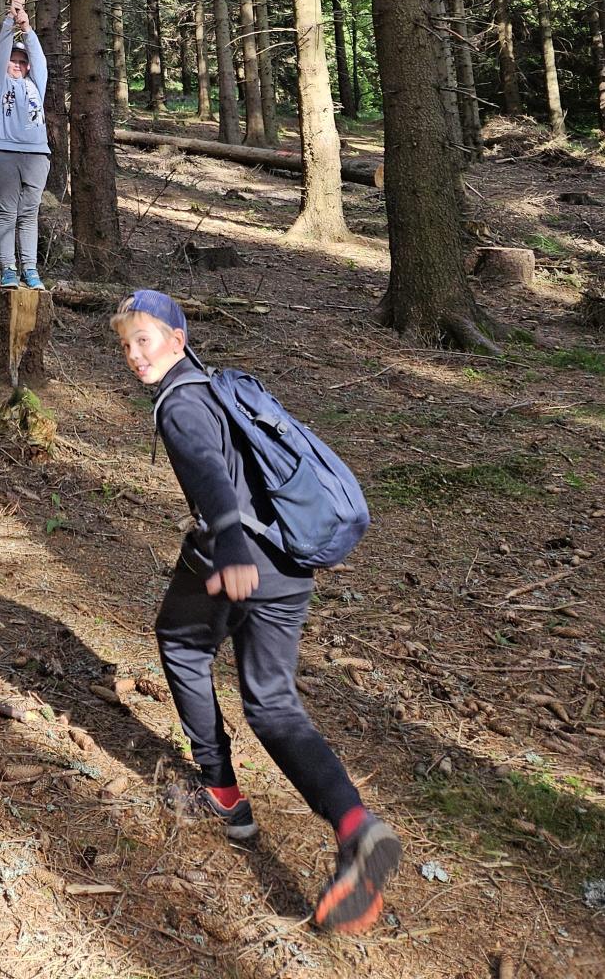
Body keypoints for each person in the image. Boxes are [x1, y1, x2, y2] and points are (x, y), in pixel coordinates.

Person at [112, 290, 402, 936]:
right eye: (126, 345)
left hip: (238, 557)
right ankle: (356, 827)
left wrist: (229, 543)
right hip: (290, 563)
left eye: (144, 340)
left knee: (180, 642)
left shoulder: (180, 402)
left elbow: (209, 473)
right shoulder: (216, 388)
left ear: (178, 340)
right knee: (273, 704)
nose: (134, 355)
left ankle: (220, 791)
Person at [0, 0, 50, 289]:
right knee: (7, 211)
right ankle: (8, 268)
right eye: (13, 60)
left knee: (29, 213)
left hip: (37, 155)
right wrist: (9, 22)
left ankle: (30, 269)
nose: (16, 64)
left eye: (21, 61)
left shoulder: (36, 84)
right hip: (5, 152)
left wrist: (27, 28)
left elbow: (40, 61)